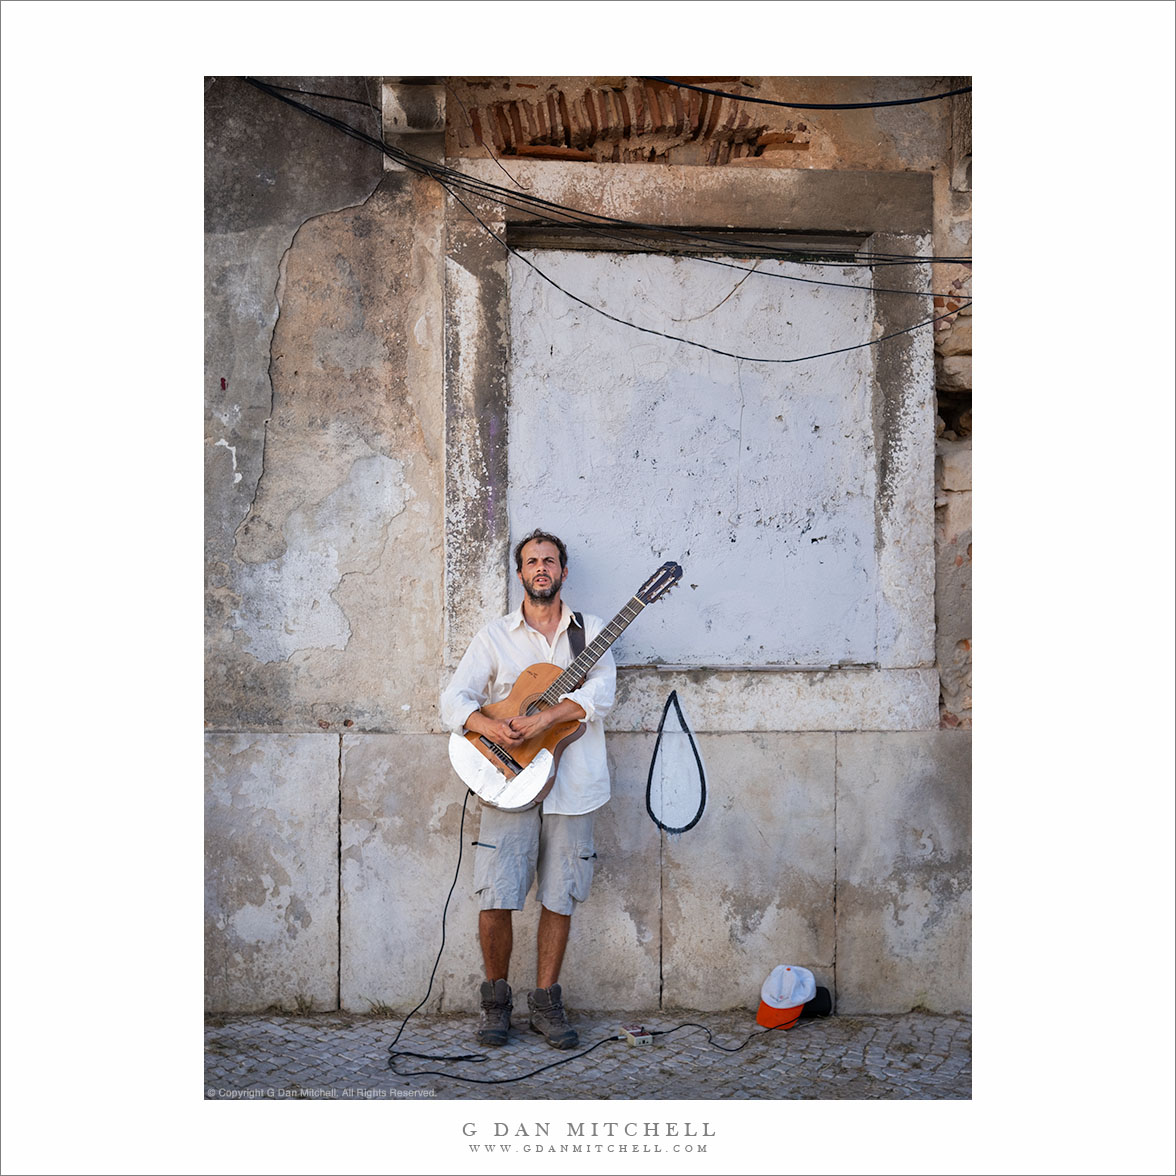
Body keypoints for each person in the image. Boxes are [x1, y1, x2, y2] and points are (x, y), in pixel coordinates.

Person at [440, 529, 616, 1049]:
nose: (541, 568)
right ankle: (496, 1004)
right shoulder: (494, 636)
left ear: (563, 571)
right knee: (497, 892)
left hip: (575, 786)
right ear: (520, 574)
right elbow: (453, 699)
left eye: (550, 561)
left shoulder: (592, 633)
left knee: (560, 895)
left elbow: (601, 695)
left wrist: (549, 721)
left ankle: (546, 1003)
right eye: (532, 561)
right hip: (507, 780)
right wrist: (492, 727)